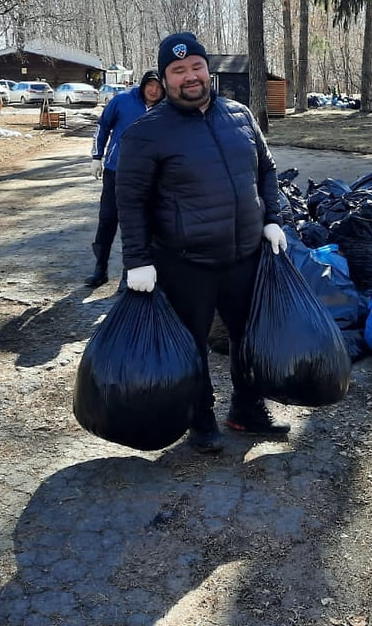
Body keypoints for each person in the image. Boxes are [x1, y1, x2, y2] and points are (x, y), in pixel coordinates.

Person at [117, 31, 290, 454]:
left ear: (207, 70)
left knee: (247, 337)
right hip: (184, 261)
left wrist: (273, 219)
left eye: (196, 67)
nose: (189, 77)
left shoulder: (241, 116)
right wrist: (137, 260)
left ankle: (246, 410)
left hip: (246, 255)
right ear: (165, 78)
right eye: (178, 71)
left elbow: (266, 171)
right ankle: (201, 418)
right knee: (191, 343)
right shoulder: (146, 132)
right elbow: (131, 201)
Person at [84, 69, 165, 287]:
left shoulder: (167, 109)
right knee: (108, 220)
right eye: (150, 85)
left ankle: (129, 273)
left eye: (158, 87)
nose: (154, 90)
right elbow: (102, 127)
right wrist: (96, 156)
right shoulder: (122, 102)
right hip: (115, 171)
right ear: (143, 85)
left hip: (147, 175)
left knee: (140, 224)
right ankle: (100, 268)